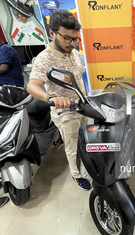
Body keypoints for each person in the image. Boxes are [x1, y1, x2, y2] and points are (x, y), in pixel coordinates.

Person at [26, 10, 90, 190]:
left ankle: (86, 164)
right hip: (66, 112)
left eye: (75, 38)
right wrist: (51, 98)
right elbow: (32, 86)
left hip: (83, 106)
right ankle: (77, 175)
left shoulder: (74, 52)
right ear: (52, 33)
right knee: (73, 147)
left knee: (85, 141)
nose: (72, 43)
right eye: (67, 38)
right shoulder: (44, 59)